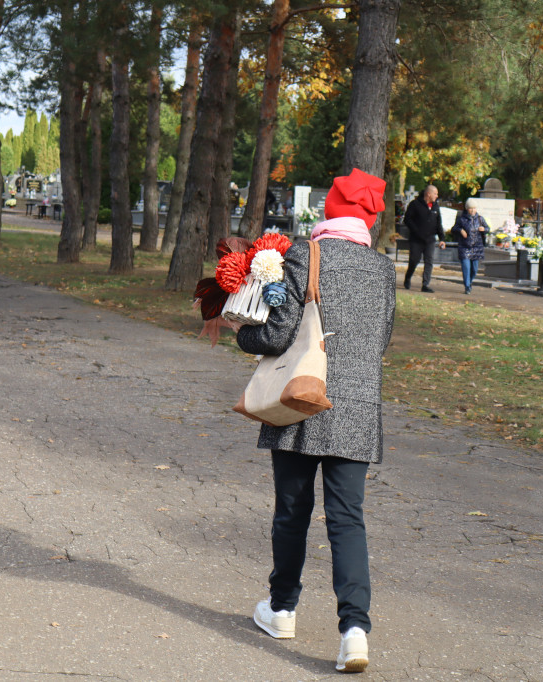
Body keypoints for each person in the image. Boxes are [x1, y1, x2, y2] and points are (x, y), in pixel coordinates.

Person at [236, 168, 395, 674]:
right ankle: (354, 630)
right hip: (357, 407)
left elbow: (279, 334)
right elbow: (381, 340)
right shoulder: (383, 269)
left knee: (293, 510)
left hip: (304, 399)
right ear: (370, 216)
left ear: (331, 207)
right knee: (348, 518)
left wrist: (244, 334)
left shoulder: (306, 255)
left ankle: (281, 608)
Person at [402, 185, 445, 292]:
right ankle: (408, 277)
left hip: (430, 239)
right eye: (435, 193)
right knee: (414, 260)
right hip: (416, 239)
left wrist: (442, 238)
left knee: (429, 261)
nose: (437, 196)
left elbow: (438, 223)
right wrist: (416, 231)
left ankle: (425, 284)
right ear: (428, 194)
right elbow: (407, 219)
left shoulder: (435, 207)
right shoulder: (415, 204)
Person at [453, 197, 489, 293]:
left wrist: (484, 229)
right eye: (470, 208)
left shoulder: (480, 219)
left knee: (474, 269)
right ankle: (467, 286)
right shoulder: (461, 219)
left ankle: (469, 281)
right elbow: (454, 228)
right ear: (467, 209)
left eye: (474, 208)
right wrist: (460, 230)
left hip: (477, 247)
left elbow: (488, 228)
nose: (472, 210)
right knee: (466, 268)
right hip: (465, 247)